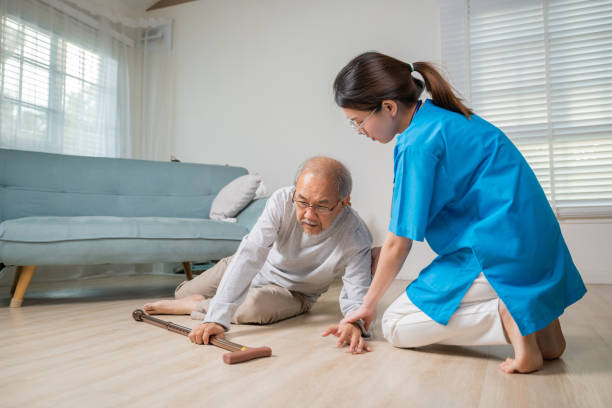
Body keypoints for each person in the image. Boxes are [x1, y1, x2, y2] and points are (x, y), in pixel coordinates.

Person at [333, 51, 586, 373]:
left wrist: (367, 306)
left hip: (497, 251)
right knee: (552, 351)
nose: (360, 131)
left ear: (388, 107)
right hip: (534, 244)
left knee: (394, 324)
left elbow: (399, 241)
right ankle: (530, 323)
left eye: (358, 122)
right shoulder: (444, 116)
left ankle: (506, 314)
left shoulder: (417, 143)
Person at [144, 156, 374, 354]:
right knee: (183, 292)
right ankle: (196, 301)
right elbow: (251, 253)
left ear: (344, 202)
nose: (309, 215)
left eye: (322, 206)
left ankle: (194, 307)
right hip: (258, 267)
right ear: (295, 192)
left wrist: (354, 324)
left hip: (294, 292)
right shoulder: (282, 200)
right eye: (302, 202)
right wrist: (216, 314)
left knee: (253, 306)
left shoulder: (356, 234)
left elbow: (357, 291)